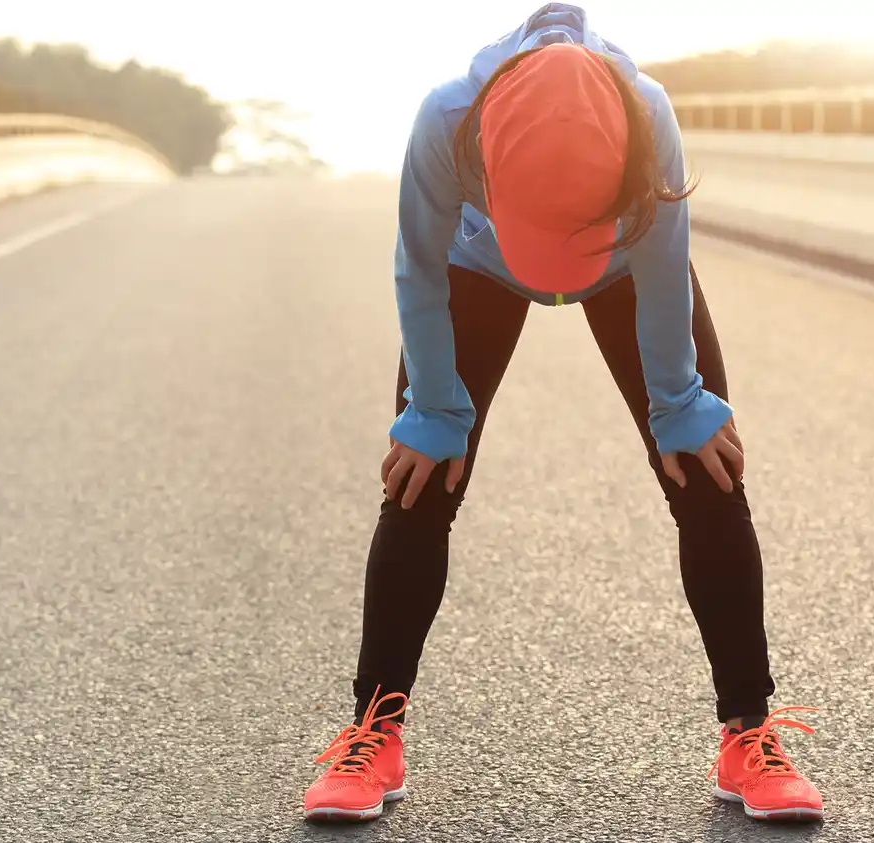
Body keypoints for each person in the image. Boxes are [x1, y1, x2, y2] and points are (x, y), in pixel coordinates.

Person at [301, 3, 825, 825]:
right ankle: (374, 731)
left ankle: (749, 733)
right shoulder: (444, 118)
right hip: (479, 261)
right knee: (422, 475)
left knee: (705, 466)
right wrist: (436, 408)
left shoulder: (645, 110)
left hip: (623, 262)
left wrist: (678, 402)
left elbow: (663, 264)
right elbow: (417, 270)